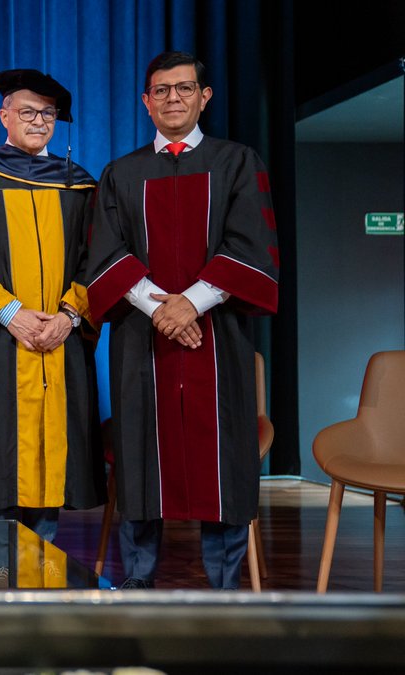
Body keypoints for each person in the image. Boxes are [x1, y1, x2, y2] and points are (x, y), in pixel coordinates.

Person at [86, 51, 279, 589]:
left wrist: (192, 302)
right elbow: (104, 253)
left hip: (218, 338)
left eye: (184, 88)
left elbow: (251, 245)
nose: (173, 98)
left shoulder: (238, 162)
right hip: (141, 339)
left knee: (223, 458)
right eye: (162, 90)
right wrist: (161, 309)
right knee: (140, 456)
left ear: (204, 96)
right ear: (146, 102)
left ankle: (223, 585)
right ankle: (138, 581)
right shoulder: (121, 173)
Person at [0, 69, 103, 543]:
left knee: (54, 461)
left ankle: (41, 568)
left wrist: (70, 316)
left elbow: (98, 259)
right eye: (27, 111)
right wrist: (13, 314)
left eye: (48, 113)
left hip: (60, 340)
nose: (38, 121)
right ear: (3, 115)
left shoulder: (79, 185)